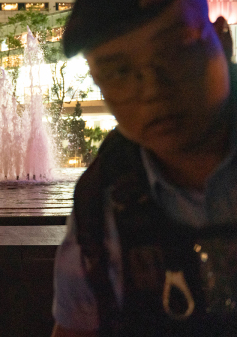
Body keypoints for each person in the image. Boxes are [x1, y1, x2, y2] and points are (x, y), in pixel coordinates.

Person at [51, 1, 237, 336]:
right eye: (119, 71)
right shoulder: (100, 201)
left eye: (176, 50)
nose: (153, 90)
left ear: (223, 41)